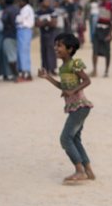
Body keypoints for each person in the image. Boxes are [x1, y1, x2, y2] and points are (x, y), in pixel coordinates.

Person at [37, 33, 95, 184]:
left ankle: (79, 171)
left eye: (59, 46)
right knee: (75, 139)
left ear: (69, 49)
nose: (55, 48)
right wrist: (48, 77)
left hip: (80, 106)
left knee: (65, 138)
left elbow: (87, 80)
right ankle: (88, 170)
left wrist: (72, 91)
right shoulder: (63, 68)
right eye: (55, 45)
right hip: (74, 108)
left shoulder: (75, 64)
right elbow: (62, 87)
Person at [92, 0, 112, 78]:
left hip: (106, 30)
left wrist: (110, 33)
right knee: (95, 50)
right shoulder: (100, 4)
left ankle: (106, 70)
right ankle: (94, 70)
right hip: (98, 29)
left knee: (107, 51)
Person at [35, 0, 59, 75]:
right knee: (44, 51)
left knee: (52, 51)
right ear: (41, 3)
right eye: (46, 1)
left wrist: (43, 23)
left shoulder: (52, 11)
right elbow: (37, 24)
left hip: (51, 34)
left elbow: (54, 23)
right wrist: (48, 22)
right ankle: (46, 68)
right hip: (43, 34)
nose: (48, 2)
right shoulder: (38, 13)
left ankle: (52, 69)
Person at [1, 0, 20, 80]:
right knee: (16, 55)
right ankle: (17, 73)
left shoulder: (6, 10)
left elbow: (4, 20)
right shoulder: (17, 10)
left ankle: (15, 74)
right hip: (17, 35)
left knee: (11, 56)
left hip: (9, 35)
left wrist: (8, 26)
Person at [16, 0, 35, 81]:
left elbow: (19, 19)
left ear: (25, 1)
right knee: (21, 51)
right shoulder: (24, 9)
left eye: (21, 1)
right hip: (21, 31)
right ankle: (23, 71)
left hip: (25, 30)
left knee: (24, 51)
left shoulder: (26, 9)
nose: (19, 3)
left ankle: (25, 72)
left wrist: (17, 18)